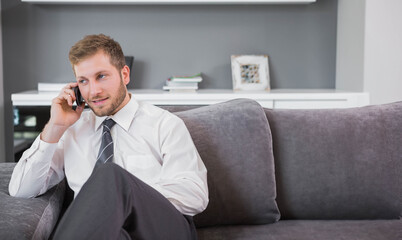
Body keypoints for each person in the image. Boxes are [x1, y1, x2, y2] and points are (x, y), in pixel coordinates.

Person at [8, 34, 208, 240]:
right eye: (83, 81)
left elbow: (195, 194)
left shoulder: (164, 124)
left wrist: (124, 195)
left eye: (101, 76)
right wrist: (55, 127)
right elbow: (21, 190)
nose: (93, 91)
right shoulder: (71, 131)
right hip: (103, 232)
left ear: (125, 74)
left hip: (162, 228)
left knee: (110, 176)